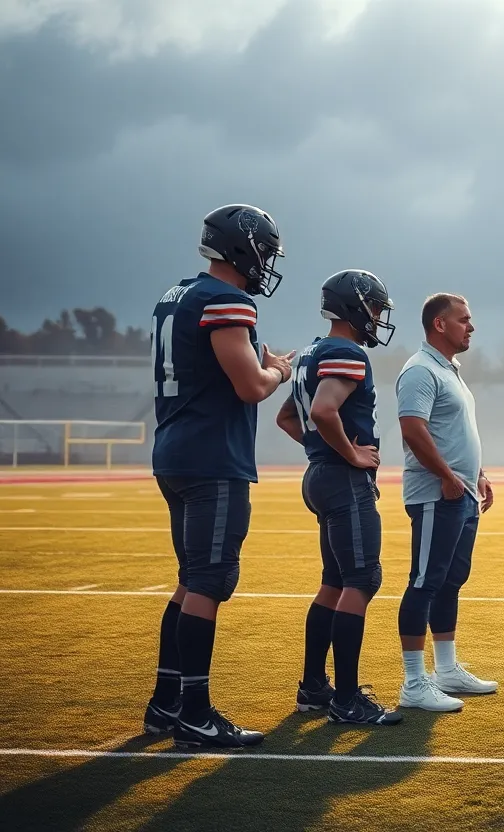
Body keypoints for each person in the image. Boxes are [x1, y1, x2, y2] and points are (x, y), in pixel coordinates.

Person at [146, 204, 294, 749]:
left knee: (190, 580)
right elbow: (251, 387)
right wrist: (278, 367)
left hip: (175, 451)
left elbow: (215, 362)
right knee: (208, 582)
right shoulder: (227, 299)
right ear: (245, 248)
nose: (268, 262)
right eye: (266, 251)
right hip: (211, 457)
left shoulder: (176, 295)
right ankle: (196, 712)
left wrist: (259, 360)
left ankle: (165, 705)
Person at [275, 269, 403, 726]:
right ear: (354, 306)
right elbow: (321, 411)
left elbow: (288, 419)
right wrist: (351, 454)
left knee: (335, 582)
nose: (376, 318)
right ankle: (346, 700)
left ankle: (313, 688)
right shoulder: (346, 352)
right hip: (341, 480)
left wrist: (327, 452)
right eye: (373, 308)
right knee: (361, 580)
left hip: (320, 476)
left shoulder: (312, 351)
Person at [395, 293, 497, 712]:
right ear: (440, 324)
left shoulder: (448, 370)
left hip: (461, 491)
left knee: (451, 580)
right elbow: (413, 429)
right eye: (464, 320)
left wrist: (478, 474)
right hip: (436, 494)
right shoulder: (420, 370)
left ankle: (447, 668)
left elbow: (455, 431)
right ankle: (413, 682)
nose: (470, 327)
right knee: (424, 581)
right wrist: (446, 476)